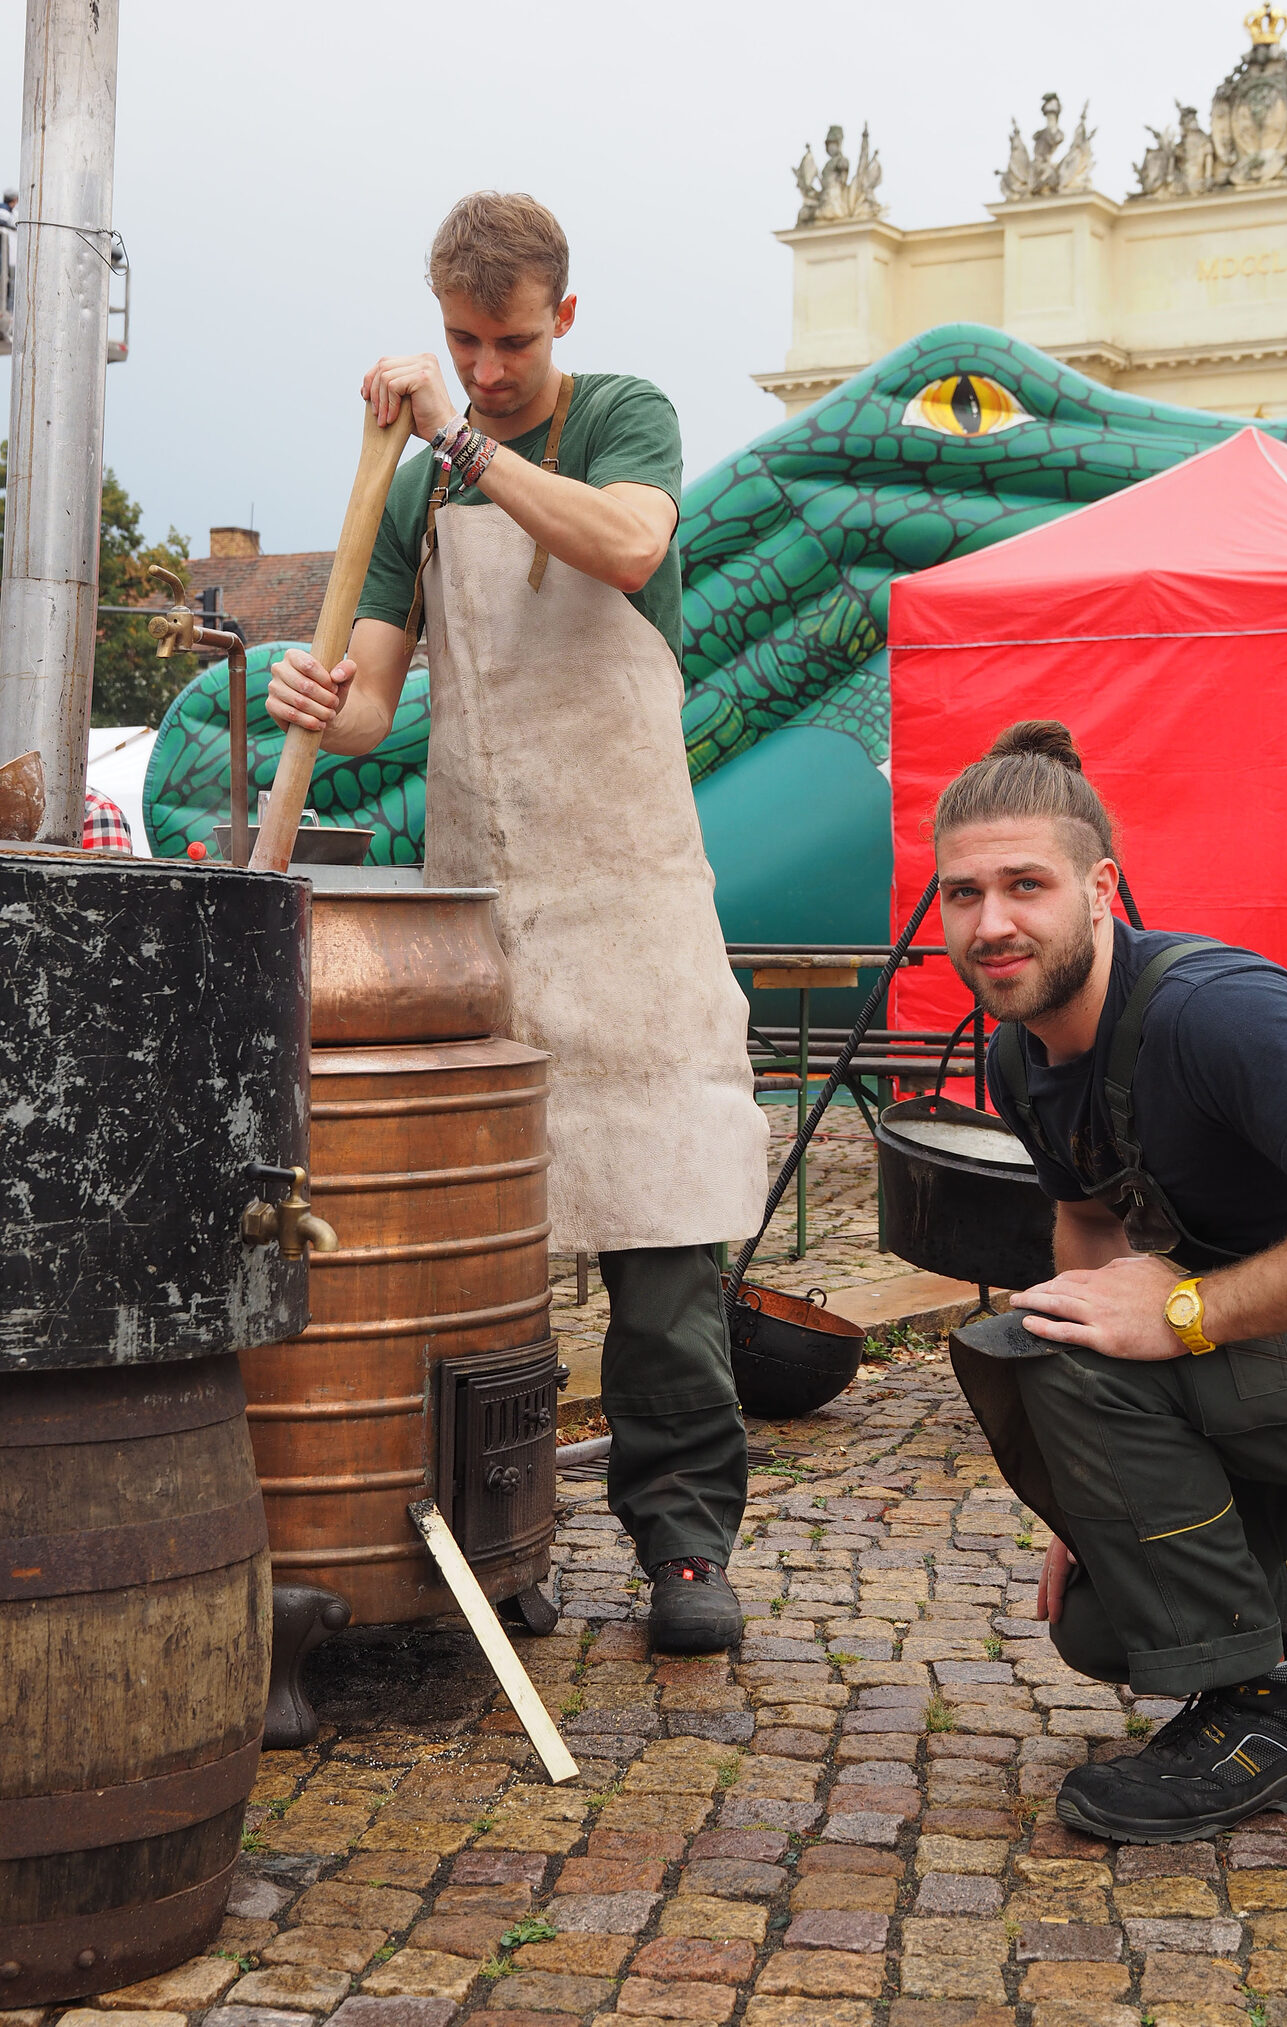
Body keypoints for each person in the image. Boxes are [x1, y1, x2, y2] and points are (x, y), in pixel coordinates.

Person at [266, 191, 768, 1654]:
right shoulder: (410, 487)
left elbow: (623, 544)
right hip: (484, 909)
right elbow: (365, 700)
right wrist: (321, 705)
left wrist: (466, 444)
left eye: (509, 338)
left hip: (636, 907)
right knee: (480, 1257)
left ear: (565, 316)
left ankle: (684, 1543)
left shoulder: (620, 417)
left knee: (666, 1255)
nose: (484, 366)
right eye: (461, 341)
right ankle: (500, 1544)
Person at [936, 719, 1287, 1843]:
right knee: (1110, 1620)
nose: (991, 921)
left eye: (1025, 884)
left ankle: (1263, 1717)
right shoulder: (1021, 1052)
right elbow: (1087, 1223)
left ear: (1100, 886)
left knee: (1042, 1356)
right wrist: (1097, 1481)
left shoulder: (1210, 1009)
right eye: (963, 893)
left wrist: (1187, 1315)